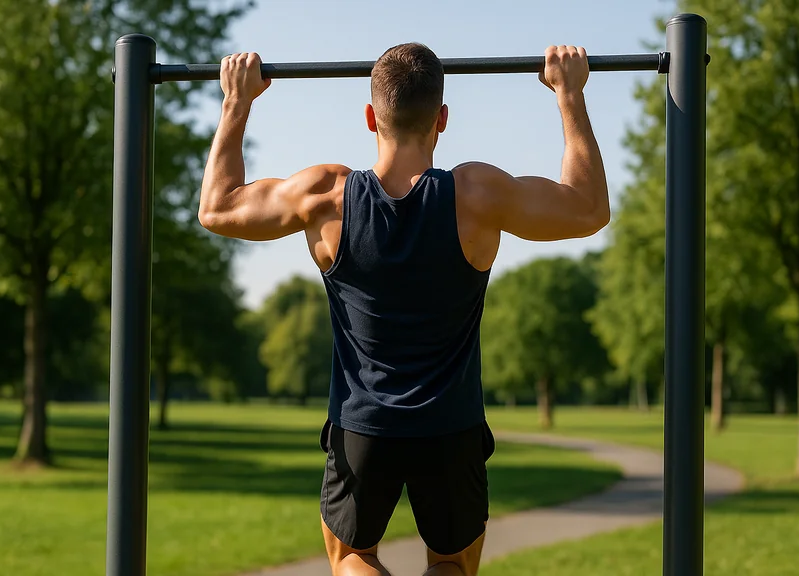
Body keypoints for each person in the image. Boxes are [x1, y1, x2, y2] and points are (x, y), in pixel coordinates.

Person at [198, 42, 609, 576]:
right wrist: (569, 94)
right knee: (450, 567)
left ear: (371, 117)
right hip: (450, 428)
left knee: (351, 558)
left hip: (363, 430)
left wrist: (237, 102)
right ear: (442, 118)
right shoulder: (476, 193)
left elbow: (217, 207)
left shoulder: (327, 195)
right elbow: (588, 208)